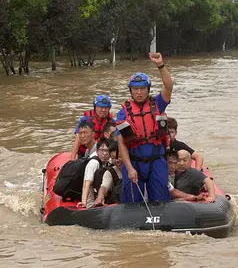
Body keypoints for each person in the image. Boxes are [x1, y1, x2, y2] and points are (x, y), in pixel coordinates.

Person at [116, 52, 173, 203]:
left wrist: (160, 65)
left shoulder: (158, 104)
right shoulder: (123, 113)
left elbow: (169, 86)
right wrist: (129, 168)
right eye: (135, 89)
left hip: (157, 161)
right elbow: (121, 143)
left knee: (161, 200)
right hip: (134, 162)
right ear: (131, 91)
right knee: (131, 202)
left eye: (142, 88)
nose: (139, 92)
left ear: (148, 89)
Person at [70, 95, 114, 160]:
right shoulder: (85, 119)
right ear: (95, 107)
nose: (103, 110)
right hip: (85, 152)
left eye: (106, 108)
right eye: (101, 107)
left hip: (103, 153)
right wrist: (72, 160)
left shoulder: (112, 122)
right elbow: (78, 139)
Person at [77, 138, 112, 208]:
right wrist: (84, 202)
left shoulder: (108, 162)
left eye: (107, 151)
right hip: (91, 203)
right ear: (97, 151)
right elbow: (87, 183)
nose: (104, 153)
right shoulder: (94, 163)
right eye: (102, 150)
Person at [94, 140, 122, 206]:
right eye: (113, 158)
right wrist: (100, 197)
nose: (117, 160)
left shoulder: (135, 168)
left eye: (119, 157)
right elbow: (104, 187)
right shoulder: (110, 172)